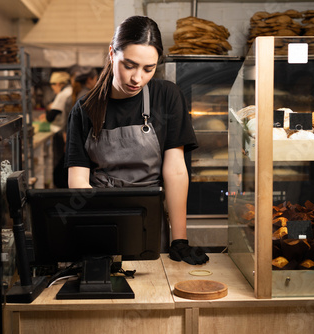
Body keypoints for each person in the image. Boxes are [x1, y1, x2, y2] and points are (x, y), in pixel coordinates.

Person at [64, 15, 208, 265]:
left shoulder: (168, 96)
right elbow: (78, 180)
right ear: (112, 53)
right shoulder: (85, 108)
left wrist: (179, 239)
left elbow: (175, 170)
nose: (137, 78)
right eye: (129, 65)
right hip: (100, 220)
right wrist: (92, 232)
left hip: (150, 222)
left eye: (148, 69)